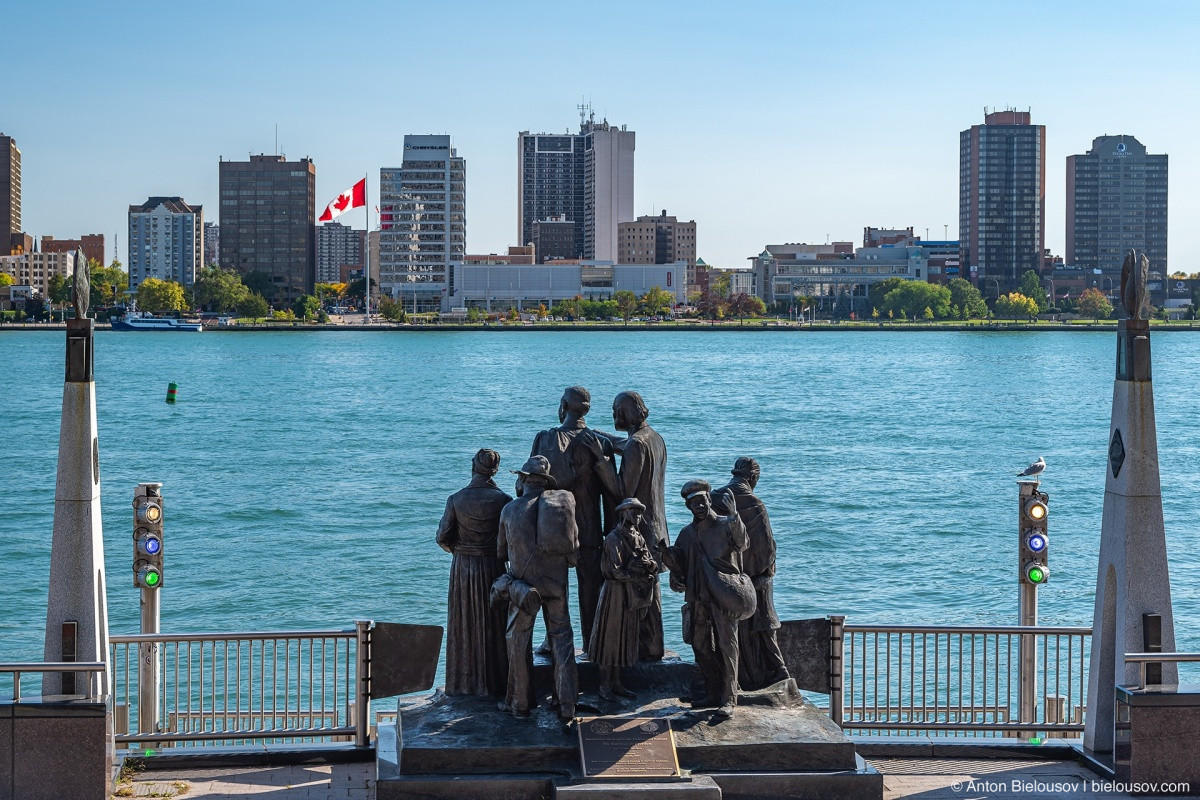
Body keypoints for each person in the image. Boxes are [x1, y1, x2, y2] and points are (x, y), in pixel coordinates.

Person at [530, 387, 620, 653]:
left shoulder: (545, 438)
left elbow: (529, 487)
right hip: (589, 527)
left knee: (554, 586)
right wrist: (610, 531)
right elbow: (610, 493)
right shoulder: (599, 443)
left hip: (551, 527)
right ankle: (593, 644)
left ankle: (554, 640)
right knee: (590, 589)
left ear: (563, 406)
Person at [496, 455, 579, 720]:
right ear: (545, 483)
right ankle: (567, 703)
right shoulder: (560, 507)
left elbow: (500, 553)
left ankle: (520, 704)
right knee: (562, 641)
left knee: (518, 642)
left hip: (523, 589)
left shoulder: (510, 509)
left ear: (522, 480)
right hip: (556, 586)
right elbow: (574, 554)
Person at [663, 480, 751, 720]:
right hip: (699, 598)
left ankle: (729, 698)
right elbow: (678, 572)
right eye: (694, 503)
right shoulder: (686, 534)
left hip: (724, 597)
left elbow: (743, 543)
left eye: (702, 500)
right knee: (700, 645)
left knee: (727, 645)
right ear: (688, 507)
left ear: (709, 500)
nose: (699, 506)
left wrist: (735, 516)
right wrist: (674, 571)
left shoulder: (725, 525)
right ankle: (713, 692)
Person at [592, 391, 668, 661]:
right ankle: (651, 648)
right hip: (658, 528)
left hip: (640, 530)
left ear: (624, 414)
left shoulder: (636, 444)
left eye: (615, 411)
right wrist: (605, 438)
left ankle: (647, 651)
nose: (613, 415)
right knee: (651, 589)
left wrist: (602, 462)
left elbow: (624, 490)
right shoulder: (654, 438)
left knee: (644, 593)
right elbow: (629, 446)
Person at [436, 449, 513, 698]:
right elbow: (508, 543)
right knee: (494, 624)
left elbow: (442, 537)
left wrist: (460, 551)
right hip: (493, 567)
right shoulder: (504, 500)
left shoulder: (456, 499)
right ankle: (497, 682)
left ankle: (463, 684)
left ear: (473, 467)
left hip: (463, 569)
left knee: (464, 623)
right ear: (495, 470)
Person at [715, 457, 790, 690]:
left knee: (730, 631)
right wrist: (765, 572)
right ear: (753, 478)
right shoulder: (755, 504)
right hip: (756, 578)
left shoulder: (714, 498)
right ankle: (779, 673)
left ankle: (733, 678)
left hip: (726, 578)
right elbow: (767, 548)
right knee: (764, 625)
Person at [589, 498, 657, 701]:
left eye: (639, 513)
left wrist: (650, 566)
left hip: (631, 595)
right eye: (634, 512)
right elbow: (612, 571)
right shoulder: (613, 538)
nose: (637, 516)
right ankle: (604, 685)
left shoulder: (638, 536)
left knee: (624, 638)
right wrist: (633, 572)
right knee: (610, 639)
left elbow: (648, 560)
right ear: (623, 513)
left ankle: (617, 683)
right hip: (615, 595)